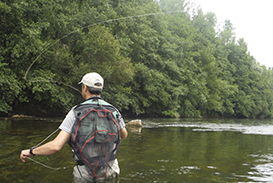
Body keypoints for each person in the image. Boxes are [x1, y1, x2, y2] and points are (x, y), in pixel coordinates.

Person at [20, 72, 128, 182]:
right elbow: (124, 134)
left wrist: (31, 151)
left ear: (85, 88)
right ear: (100, 89)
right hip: (110, 170)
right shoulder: (114, 111)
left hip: (85, 174)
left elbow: (55, 146)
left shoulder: (76, 111)